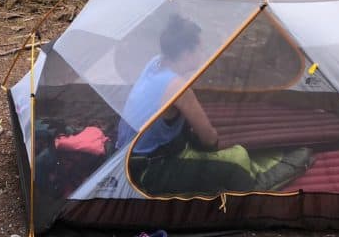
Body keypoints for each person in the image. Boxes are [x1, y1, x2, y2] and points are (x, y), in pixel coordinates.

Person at [117, 12, 313, 196]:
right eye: (200, 48)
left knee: (214, 147)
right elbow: (209, 138)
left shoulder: (155, 63)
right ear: (187, 53)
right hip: (148, 172)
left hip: (124, 158)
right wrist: (213, 152)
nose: (204, 52)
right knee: (238, 160)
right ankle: (258, 186)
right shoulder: (178, 88)